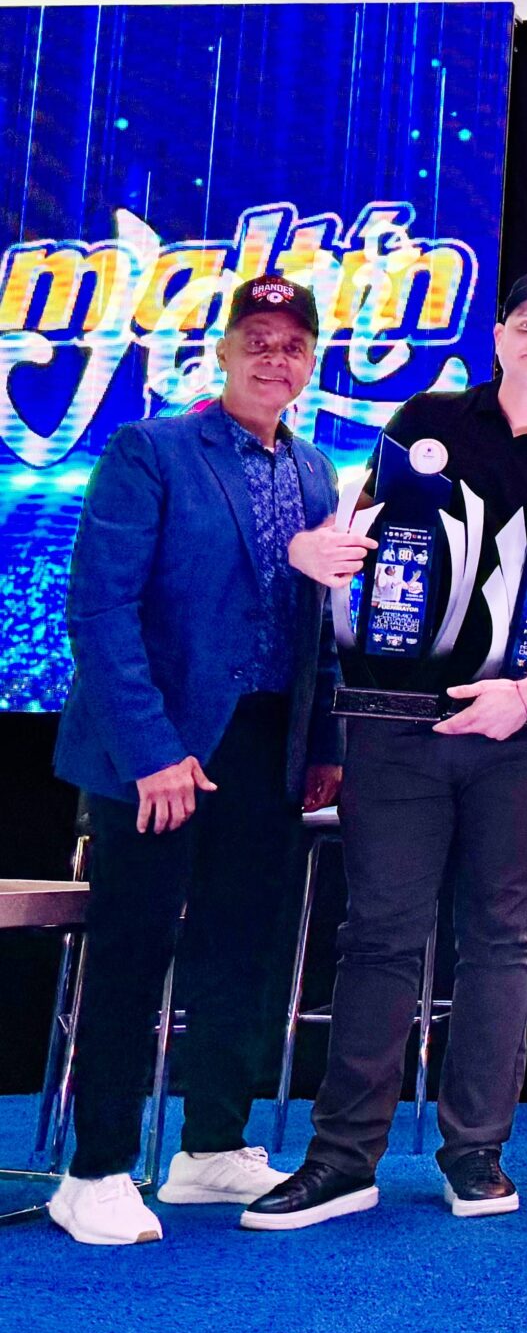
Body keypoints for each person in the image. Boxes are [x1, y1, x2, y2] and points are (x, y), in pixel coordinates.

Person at [245, 270, 527, 1230]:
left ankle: (475, 1153)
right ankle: (342, 1159)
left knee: (501, 937)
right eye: (526, 323)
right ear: (499, 336)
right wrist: (315, 550)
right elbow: (354, 532)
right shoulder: (426, 418)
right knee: (379, 935)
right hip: (396, 721)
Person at [46, 276, 348, 1244]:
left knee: (241, 952)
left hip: (265, 745)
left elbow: (316, 623)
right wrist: (153, 752)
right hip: (156, 748)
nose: (274, 357)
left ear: (311, 362)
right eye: (256, 338)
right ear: (221, 352)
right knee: (133, 952)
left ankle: (210, 1147)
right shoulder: (151, 449)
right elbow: (100, 610)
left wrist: (324, 744)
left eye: (292, 344)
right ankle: (94, 1170)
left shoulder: (316, 472)